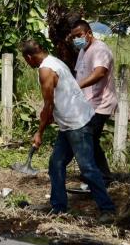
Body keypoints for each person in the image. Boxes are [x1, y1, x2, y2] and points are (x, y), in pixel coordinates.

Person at [21, 39, 115, 221]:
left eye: (26, 60)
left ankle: (108, 209)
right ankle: (58, 208)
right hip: (70, 123)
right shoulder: (54, 61)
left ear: (29, 57)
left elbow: (48, 105)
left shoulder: (46, 70)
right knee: (56, 164)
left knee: (88, 168)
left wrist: (39, 132)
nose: (28, 63)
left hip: (77, 123)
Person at [70, 19, 117, 183]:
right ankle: (96, 175)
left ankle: (101, 176)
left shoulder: (100, 50)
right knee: (89, 139)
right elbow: (80, 73)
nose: (76, 39)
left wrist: (77, 86)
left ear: (89, 33)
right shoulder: (84, 50)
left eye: (79, 35)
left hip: (100, 104)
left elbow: (100, 73)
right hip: (87, 103)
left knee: (88, 138)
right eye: (73, 37)